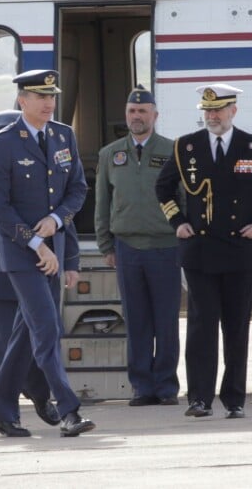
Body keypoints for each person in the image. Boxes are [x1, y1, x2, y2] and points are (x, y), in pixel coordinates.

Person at [156, 84, 252, 419]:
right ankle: (199, 397)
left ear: (233, 111)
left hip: (239, 249)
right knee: (201, 325)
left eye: (218, 110)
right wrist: (178, 222)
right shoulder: (187, 146)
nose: (212, 116)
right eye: (207, 110)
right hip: (199, 248)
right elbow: (163, 186)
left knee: (236, 326)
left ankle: (234, 398)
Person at [0, 68, 94, 438]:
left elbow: (77, 189)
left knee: (25, 334)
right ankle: (68, 410)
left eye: (52, 96)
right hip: (21, 254)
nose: (49, 103)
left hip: (53, 251)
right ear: (22, 101)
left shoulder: (63, 135)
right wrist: (36, 241)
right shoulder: (2, 143)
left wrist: (56, 219)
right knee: (47, 328)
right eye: (40, 97)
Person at [0, 109, 80, 428]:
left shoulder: (48, 162)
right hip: (0, 275)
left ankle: (35, 400)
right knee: (7, 346)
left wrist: (70, 260)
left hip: (41, 265)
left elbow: (61, 215)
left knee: (30, 339)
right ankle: (14, 411)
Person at [94, 85, 181, 407]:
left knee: (166, 320)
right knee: (137, 320)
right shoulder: (110, 154)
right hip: (127, 247)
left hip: (165, 247)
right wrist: (107, 245)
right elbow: (102, 203)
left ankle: (167, 386)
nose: (137, 116)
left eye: (143, 111)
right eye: (132, 111)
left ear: (154, 116)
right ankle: (142, 387)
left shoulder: (173, 151)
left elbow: (183, 197)